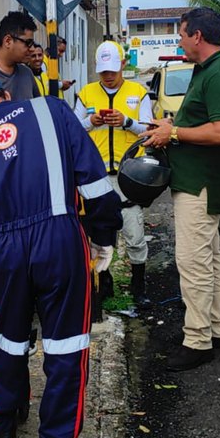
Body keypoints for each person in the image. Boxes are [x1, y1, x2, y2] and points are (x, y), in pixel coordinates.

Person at [0, 71, 122, 438]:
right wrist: (103, 237)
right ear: (5, 94)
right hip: (60, 239)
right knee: (66, 349)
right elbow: (95, 184)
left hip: (5, 251)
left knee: (7, 344)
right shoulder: (52, 110)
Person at [140, 7, 220, 371]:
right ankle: (213, 329)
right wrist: (171, 124)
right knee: (209, 260)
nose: (180, 41)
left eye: (182, 35)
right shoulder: (208, 71)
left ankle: (197, 340)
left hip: (201, 185)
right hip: (197, 181)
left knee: (193, 263)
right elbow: (205, 122)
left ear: (198, 36)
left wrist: (175, 132)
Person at [74, 40, 154, 307]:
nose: (108, 76)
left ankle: (139, 286)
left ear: (122, 64)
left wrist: (126, 122)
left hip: (128, 175)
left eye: (112, 70)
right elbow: (73, 129)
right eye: (103, 72)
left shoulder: (138, 92)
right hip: (96, 175)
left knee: (133, 232)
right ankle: (103, 283)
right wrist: (90, 122)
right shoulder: (86, 94)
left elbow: (147, 129)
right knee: (100, 233)